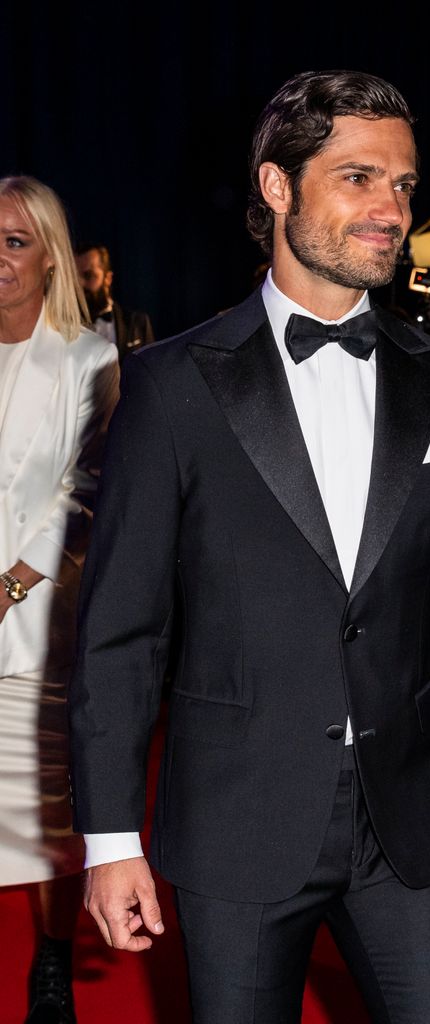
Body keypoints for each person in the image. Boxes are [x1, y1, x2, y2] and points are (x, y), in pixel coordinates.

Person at [69, 70, 430, 1024]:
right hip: (237, 824)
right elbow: (122, 633)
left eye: (404, 186)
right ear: (277, 187)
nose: (390, 211)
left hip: (407, 830)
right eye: (358, 178)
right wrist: (109, 838)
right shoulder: (170, 387)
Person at [0, 176, 119, 1022]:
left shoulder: (93, 359)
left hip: (37, 623)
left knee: (43, 817)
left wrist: (8, 584)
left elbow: (86, 493)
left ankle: (51, 961)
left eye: (13, 240)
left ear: (50, 252)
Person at [73, 243, 154, 363]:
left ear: (108, 278)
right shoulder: (63, 326)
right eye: (75, 278)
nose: (80, 285)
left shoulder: (138, 323)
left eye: (88, 275)